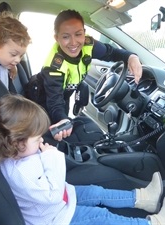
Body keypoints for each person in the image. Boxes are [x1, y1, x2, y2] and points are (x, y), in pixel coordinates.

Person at [0, 94, 165, 225]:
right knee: (102, 218)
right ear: (17, 142)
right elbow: (51, 196)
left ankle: (144, 199)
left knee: (96, 192)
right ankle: (154, 223)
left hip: (58, 202)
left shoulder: (14, 155)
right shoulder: (21, 173)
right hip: (56, 218)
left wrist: (43, 155)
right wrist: (52, 158)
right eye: (37, 138)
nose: (41, 139)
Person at [32, 9, 143, 144]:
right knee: (55, 135)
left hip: (64, 96)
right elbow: (54, 103)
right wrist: (63, 119)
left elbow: (111, 53)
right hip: (41, 101)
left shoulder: (88, 44)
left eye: (78, 34)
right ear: (57, 38)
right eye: (66, 37)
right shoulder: (53, 67)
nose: (73, 42)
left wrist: (131, 57)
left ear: (84, 33)